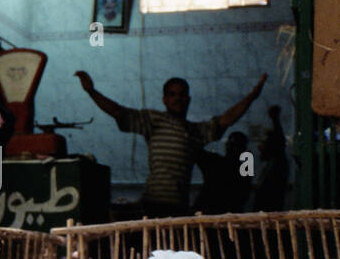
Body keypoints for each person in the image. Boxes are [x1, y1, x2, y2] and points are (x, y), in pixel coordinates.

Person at [74, 70, 267, 217]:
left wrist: (252, 96)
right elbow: (118, 111)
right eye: (172, 94)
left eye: (182, 94)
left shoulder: (197, 132)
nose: (178, 99)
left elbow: (227, 119)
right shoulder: (152, 120)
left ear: (188, 99)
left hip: (179, 208)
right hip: (152, 204)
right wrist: (91, 91)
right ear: (165, 100)